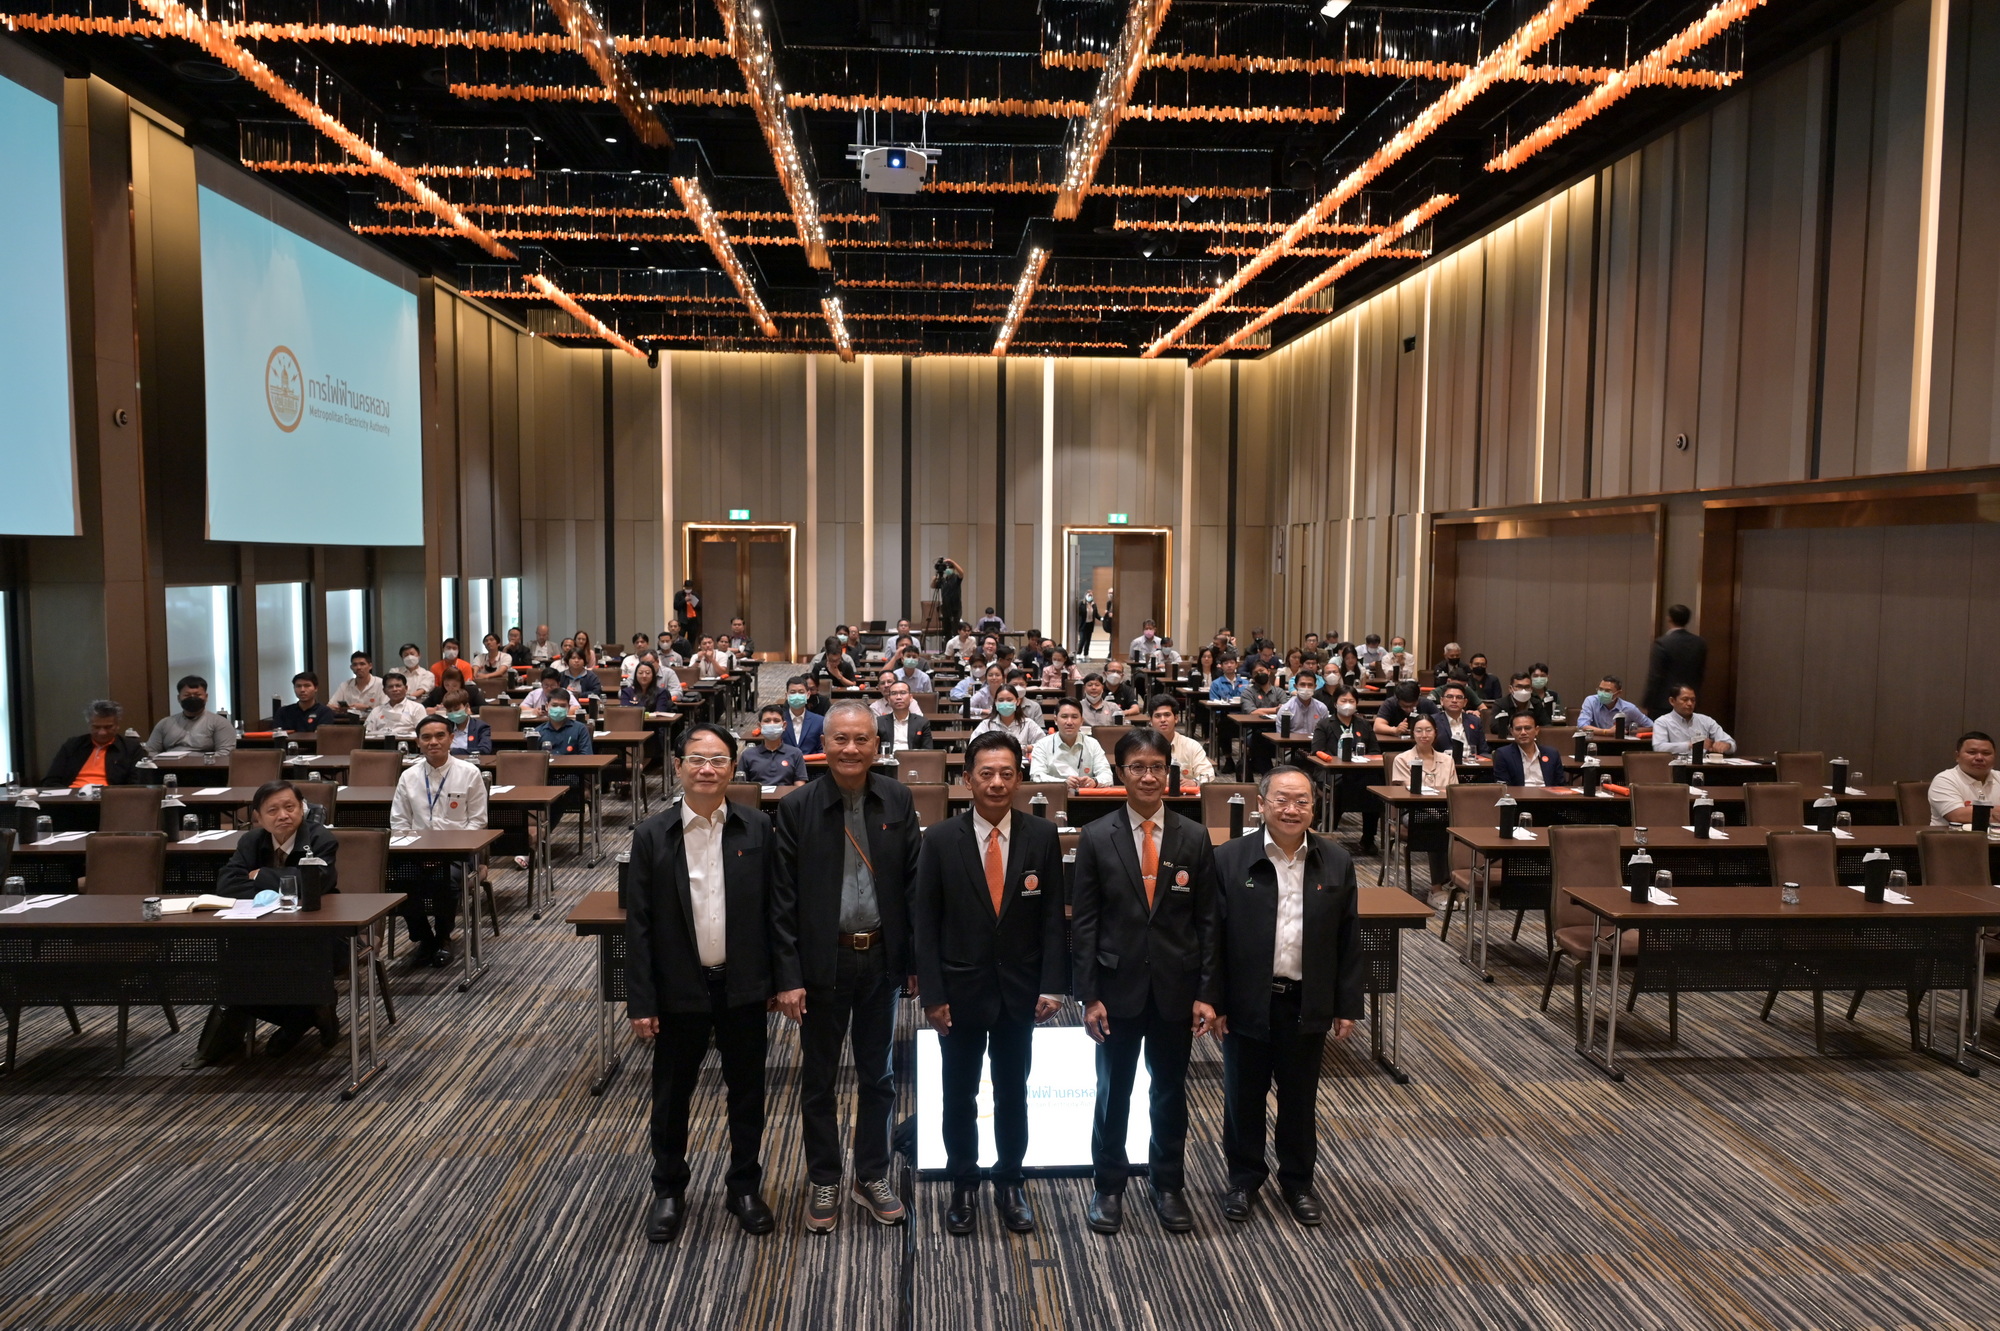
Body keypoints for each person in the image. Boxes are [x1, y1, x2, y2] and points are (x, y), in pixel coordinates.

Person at [770, 701, 923, 1233]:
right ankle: (824, 1176)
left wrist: (913, 960)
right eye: (841, 739)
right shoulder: (797, 807)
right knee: (819, 1078)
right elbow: (781, 900)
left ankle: (871, 1173)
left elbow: (913, 886)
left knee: (879, 1075)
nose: (851, 749)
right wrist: (788, 977)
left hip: (880, 958)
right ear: (824, 744)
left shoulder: (898, 799)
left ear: (877, 745)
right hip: (822, 962)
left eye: (861, 739)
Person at [914, 731, 1068, 1236]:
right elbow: (925, 924)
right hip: (958, 993)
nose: (997, 782)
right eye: (986, 773)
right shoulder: (940, 839)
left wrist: (1053, 985)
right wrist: (933, 995)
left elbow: (1052, 918)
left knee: (1013, 1093)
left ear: (1019, 778)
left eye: (1006, 773)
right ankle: (963, 1184)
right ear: (967, 779)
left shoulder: (1041, 835)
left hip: (1020, 993)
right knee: (959, 1096)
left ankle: (1010, 1182)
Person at [628, 724, 776, 1243]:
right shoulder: (652, 834)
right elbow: (639, 926)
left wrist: (779, 980)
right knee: (671, 1097)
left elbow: (775, 911)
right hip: (678, 989)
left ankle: (744, 1187)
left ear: (733, 767)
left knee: (748, 1093)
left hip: (743, 986)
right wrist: (641, 1000)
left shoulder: (758, 828)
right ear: (678, 767)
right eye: (696, 759)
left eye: (717, 760)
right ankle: (669, 1190)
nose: (707, 769)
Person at [1070, 728, 1222, 1235]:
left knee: (1170, 1092)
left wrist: (1206, 992)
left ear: (1169, 771)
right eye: (1138, 767)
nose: (1149, 776)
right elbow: (1085, 923)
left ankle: (1168, 1184)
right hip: (1116, 991)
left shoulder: (1193, 836)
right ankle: (1108, 1185)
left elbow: (1208, 922)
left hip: (1177, 989)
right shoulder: (1097, 835)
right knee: (1113, 1092)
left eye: (1158, 766)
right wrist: (1089, 995)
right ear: (1121, 773)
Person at [1211, 765, 1359, 1226]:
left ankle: (1298, 1183)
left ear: (1314, 808)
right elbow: (1212, 937)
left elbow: (1348, 938)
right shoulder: (1230, 858)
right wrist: (1214, 1000)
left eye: (1302, 801)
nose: (1291, 809)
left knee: (1299, 1099)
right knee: (1243, 1096)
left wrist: (1346, 1005)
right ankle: (1243, 1179)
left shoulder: (1336, 860)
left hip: (1305, 999)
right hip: (1246, 999)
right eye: (1282, 799)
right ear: (1261, 804)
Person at [204, 780, 342, 1057]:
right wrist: (286, 884)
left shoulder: (320, 838)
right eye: (273, 810)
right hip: (261, 933)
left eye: (290, 807)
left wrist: (260, 876)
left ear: (302, 808)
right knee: (232, 966)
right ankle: (304, 1015)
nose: (283, 815)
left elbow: (315, 884)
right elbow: (227, 885)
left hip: (320, 935)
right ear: (258, 817)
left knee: (280, 958)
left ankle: (302, 1015)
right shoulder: (251, 841)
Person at [390, 714, 489, 967]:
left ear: (451, 738)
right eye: (426, 737)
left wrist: (446, 851)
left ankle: (444, 936)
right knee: (399, 879)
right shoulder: (409, 776)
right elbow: (399, 822)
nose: (433, 742)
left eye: (439, 736)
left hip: (458, 852)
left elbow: (478, 821)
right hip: (417, 852)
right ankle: (424, 938)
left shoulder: (469, 773)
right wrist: (419, 851)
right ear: (418, 742)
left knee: (446, 879)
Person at [1311, 687, 1381, 855]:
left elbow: (1375, 751)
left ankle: (1368, 838)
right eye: (1343, 701)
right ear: (1335, 703)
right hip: (1331, 772)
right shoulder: (1324, 724)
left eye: (1351, 701)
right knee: (1342, 787)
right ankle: (1327, 830)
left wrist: (1363, 758)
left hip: (1360, 772)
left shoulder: (1363, 724)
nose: (1347, 705)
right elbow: (1317, 751)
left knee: (1375, 786)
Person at [530, 687, 593, 829]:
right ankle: (537, 832)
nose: (558, 709)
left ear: (569, 708)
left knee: (558, 793)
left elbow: (586, 757)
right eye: (554, 705)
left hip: (572, 778)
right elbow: (532, 762)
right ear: (547, 706)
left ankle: (543, 832)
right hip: (546, 778)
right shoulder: (538, 732)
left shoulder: (580, 729)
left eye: (562, 706)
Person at [45, 700, 145, 788]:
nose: (102, 732)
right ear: (89, 725)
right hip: (72, 797)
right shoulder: (73, 745)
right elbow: (51, 780)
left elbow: (136, 784)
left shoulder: (131, 748)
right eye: (96, 727)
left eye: (108, 727)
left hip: (109, 798)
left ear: (117, 725)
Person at [1029, 699, 1112, 788]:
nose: (1069, 722)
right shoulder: (1042, 745)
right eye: (1064, 716)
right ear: (1055, 720)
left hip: (1085, 795)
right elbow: (1036, 776)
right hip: (1054, 795)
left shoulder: (1092, 744)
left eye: (1074, 717)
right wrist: (1063, 783)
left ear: (1081, 721)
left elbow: (1107, 775)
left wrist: (1095, 781)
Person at [144, 675, 236, 755]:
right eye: (187, 695)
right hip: (168, 767)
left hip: (206, 767)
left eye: (197, 695)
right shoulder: (165, 723)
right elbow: (150, 750)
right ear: (179, 698)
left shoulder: (220, 723)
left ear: (206, 697)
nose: (192, 698)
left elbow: (226, 753)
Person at [1643, 603, 1708, 717]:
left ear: (1669, 619)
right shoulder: (1700, 643)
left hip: (1664, 702)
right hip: (1690, 702)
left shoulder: (1662, 643)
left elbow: (1655, 676)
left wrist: (1647, 702)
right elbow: (1700, 673)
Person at [1928, 732, 1998, 826]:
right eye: (1972, 752)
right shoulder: (1944, 780)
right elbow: (1957, 816)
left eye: (1986, 753)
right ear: (1957, 756)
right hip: (1953, 835)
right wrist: (1994, 812)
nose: (1979, 758)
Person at [1147, 695, 1216, 785]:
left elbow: (1208, 774)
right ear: (1151, 721)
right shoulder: (1142, 747)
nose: (1163, 720)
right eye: (1157, 716)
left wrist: (1195, 782)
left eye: (1167, 715)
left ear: (1176, 718)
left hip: (1184, 793)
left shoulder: (1191, 746)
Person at [1649, 686, 1735, 755]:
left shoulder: (1706, 720)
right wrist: (1691, 745)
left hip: (1703, 766)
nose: (1690, 703)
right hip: (1675, 766)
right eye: (1685, 699)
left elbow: (1731, 744)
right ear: (1672, 701)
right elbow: (1659, 747)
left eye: (1693, 700)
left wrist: (1727, 745)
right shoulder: (1662, 722)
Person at [740, 705, 808, 787]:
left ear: (784, 725)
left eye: (776, 721)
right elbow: (742, 786)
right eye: (767, 721)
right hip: (758, 795)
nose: (772, 724)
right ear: (759, 726)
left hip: (787, 795)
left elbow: (800, 787)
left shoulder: (796, 753)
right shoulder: (747, 755)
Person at [1493, 712, 1565, 788]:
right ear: (1511, 732)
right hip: (1519, 795)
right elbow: (1504, 787)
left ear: (1536, 730)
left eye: (1527, 728)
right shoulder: (1503, 754)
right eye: (1518, 729)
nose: (1523, 732)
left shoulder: (1552, 753)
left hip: (1548, 794)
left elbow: (1560, 785)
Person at [971, 686, 1041, 749]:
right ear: (995, 702)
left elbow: (1043, 744)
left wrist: (1026, 748)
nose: (1005, 703)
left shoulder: (1028, 724)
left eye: (1009, 700)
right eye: (1001, 700)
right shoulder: (986, 725)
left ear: (1018, 701)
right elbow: (973, 747)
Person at [1576, 675, 1649, 736]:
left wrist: (1628, 731)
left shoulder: (1629, 708)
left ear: (1618, 693)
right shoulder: (1591, 701)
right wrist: (1606, 732)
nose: (1602, 693)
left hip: (1619, 744)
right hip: (1596, 742)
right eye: (1600, 689)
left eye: (1607, 691)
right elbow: (1582, 725)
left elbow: (1651, 726)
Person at [364, 672, 427, 740]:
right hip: (380, 743)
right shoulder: (376, 710)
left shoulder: (417, 708)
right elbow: (367, 731)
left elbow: (423, 732)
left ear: (406, 688)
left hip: (409, 743)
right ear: (384, 691)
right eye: (390, 687)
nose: (395, 689)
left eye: (398, 686)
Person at [1433, 683, 1488, 758]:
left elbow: (1483, 751)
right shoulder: (1433, 721)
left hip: (1472, 763)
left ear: (1465, 702)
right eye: (1450, 697)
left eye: (1459, 697)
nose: (1454, 700)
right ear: (1442, 701)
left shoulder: (1475, 721)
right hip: (1443, 762)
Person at [875, 680, 932, 752]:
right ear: (889, 699)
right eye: (894, 693)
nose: (898, 697)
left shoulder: (922, 722)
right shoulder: (879, 722)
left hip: (913, 758)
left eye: (903, 693)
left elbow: (928, 751)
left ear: (910, 697)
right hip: (888, 758)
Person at [1491, 671, 1552, 737]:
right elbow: (1494, 726)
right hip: (1509, 740)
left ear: (1531, 689)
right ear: (1510, 689)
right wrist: (1517, 731)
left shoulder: (1536, 703)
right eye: (1519, 686)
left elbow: (1547, 725)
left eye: (1527, 687)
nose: (1523, 690)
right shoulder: (1501, 704)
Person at [275, 673, 341, 732]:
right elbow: (277, 735)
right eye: (298, 686)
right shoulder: (283, 711)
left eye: (307, 686)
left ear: (316, 688)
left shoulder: (324, 712)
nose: (302, 690)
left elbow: (322, 736)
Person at [1273, 672, 1329, 740]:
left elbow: (1325, 735)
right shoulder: (1286, 709)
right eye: (1302, 684)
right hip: (1292, 744)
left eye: (1310, 685)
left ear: (1315, 687)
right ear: (1295, 686)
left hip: (1315, 744)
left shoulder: (1322, 708)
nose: (1306, 688)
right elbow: (1281, 736)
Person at [439, 689, 493, 756]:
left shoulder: (481, 727)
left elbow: (485, 750)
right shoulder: (444, 726)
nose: (453, 713)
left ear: (467, 706)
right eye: (449, 711)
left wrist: (452, 751)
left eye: (456, 709)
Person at [780, 677, 825, 755]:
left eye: (801, 692)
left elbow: (822, 749)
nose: (797, 696)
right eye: (793, 692)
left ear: (808, 695)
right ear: (786, 696)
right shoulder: (779, 720)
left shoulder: (820, 721)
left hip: (811, 762)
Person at [331, 652, 385, 717]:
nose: (358, 667)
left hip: (374, 721)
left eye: (362, 664)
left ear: (370, 666)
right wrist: (338, 709)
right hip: (349, 721)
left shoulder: (381, 684)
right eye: (355, 665)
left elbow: (386, 710)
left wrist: (366, 708)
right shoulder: (345, 685)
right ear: (351, 667)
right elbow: (330, 706)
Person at [1076, 590, 1099, 658]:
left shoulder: (1094, 604)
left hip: (1090, 624)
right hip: (1083, 625)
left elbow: (1096, 614)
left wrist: (1102, 618)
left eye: (1091, 595)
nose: (1090, 597)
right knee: (1082, 639)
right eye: (1089, 595)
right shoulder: (1081, 603)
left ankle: (1086, 654)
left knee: (1088, 640)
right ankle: (1078, 653)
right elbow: (1078, 613)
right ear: (1085, 595)